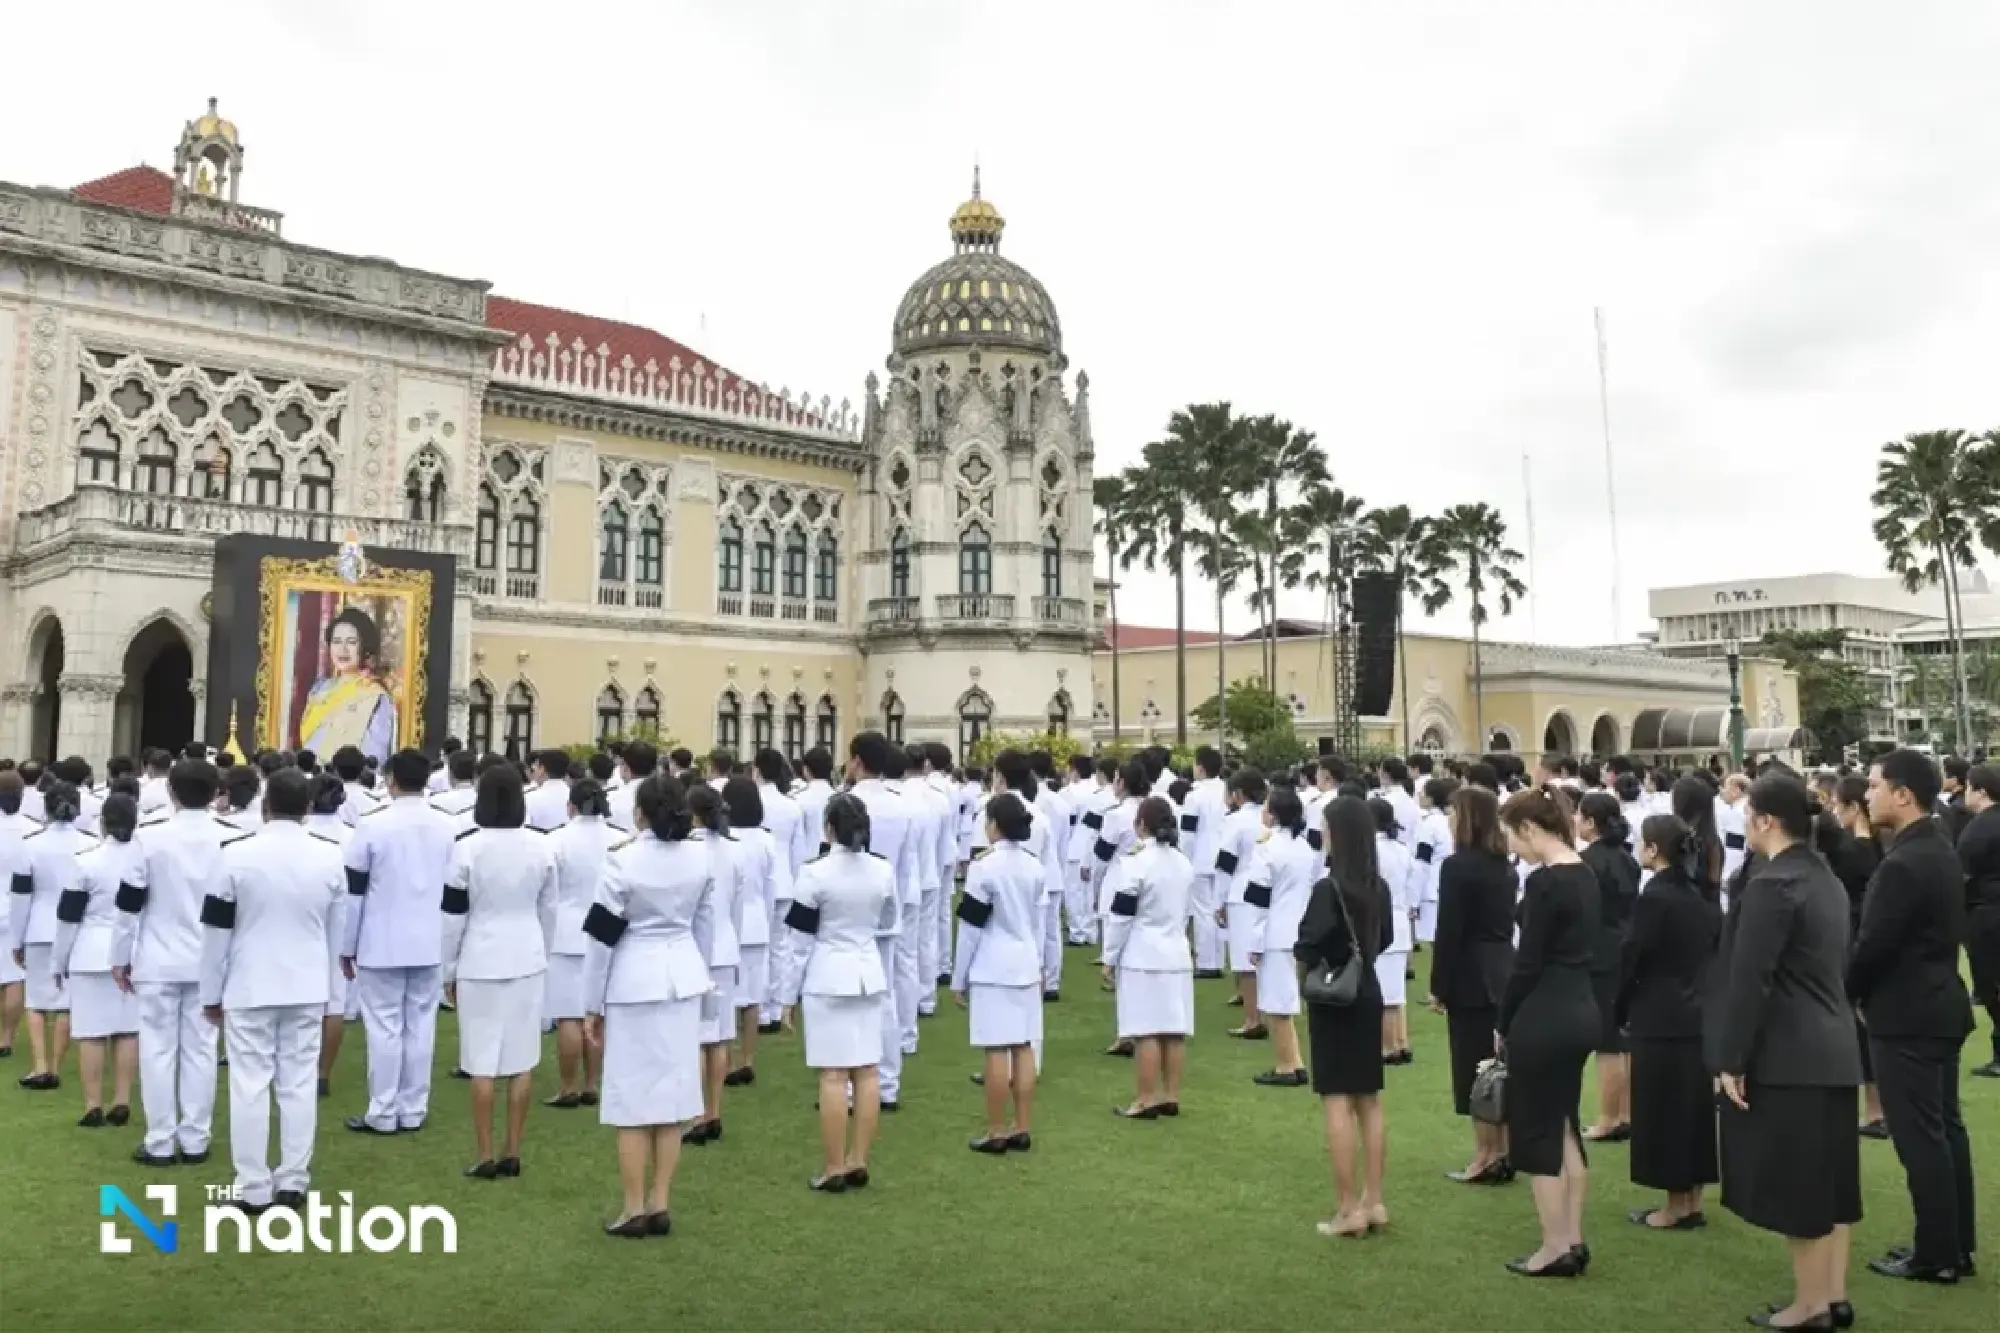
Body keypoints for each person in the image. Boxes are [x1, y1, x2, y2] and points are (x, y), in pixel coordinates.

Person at [1717, 773, 1862, 1331]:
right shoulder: (1824, 878)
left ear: (1766, 820)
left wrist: (1731, 1058)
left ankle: (1811, 1304)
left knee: (1804, 1182)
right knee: (1831, 1180)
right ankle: (1832, 1293)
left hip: (1793, 1049)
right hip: (1833, 1043)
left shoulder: (1773, 885)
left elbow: (1750, 980)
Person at [1852, 750, 1977, 1285]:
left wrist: (1848, 992)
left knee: (1922, 1137)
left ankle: (1937, 1254)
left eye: (1877, 785)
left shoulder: (1905, 862)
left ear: (1904, 794)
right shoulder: (1936, 847)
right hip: (1935, 1005)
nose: (1868, 794)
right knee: (1944, 1132)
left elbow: (1872, 946)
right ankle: (1953, 1245)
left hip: (1907, 1016)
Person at [197, 768, 345, 1213]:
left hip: (250, 983)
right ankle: (293, 1181)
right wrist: (332, 991)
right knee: (298, 1082)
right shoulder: (329, 856)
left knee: (250, 1085)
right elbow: (337, 936)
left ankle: (254, 1186)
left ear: (266, 805)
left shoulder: (235, 855)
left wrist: (209, 990)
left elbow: (215, 933)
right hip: (306, 984)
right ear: (306, 808)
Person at [582, 775, 716, 1236]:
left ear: (640, 813)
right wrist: (704, 979)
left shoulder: (623, 861)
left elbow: (601, 939)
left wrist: (590, 1003)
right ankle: (658, 1201)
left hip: (635, 979)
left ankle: (638, 1206)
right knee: (672, 1095)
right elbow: (706, 927)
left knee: (634, 1100)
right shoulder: (699, 857)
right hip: (681, 977)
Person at [1497, 788, 1602, 1278]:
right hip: (1581, 1008)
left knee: (1539, 1129)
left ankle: (1554, 1244)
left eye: (1512, 837)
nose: (1511, 847)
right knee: (1563, 1124)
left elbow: (1528, 964)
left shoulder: (1544, 884)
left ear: (1529, 830)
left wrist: (1503, 1020)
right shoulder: (1586, 875)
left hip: (1546, 1012)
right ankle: (1572, 1238)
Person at [446, 765, 557, 1179]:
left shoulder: (467, 849)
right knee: (521, 1059)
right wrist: (541, 949)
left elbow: (452, 917)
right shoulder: (541, 847)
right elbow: (550, 910)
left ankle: (486, 1153)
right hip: (526, 954)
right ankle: (512, 1148)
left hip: (481, 955)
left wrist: (449, 968)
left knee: (481, 1060)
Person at [340, 749, 458, 1135]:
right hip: (429, 939)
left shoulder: (373, 826)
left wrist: (346, 945)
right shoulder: (446, 826)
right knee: (421, 1026)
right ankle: (413, 1107)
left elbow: (354, 894)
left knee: (385, 1028)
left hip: (382, 940)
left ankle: (384, 1109)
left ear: (391, 780)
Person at [785, 792, 897, 1190]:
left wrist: (786, 996)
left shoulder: (814, 873)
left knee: (833, 1075)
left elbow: (798, 942)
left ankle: (835, 1167)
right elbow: (889, 918)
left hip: (828, 974)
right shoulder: (882, 871)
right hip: (867, 972)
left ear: (829, 828)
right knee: (866, 1071)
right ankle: (857, 1159)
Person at [1616, 814, 1721, 1231]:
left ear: (1655, 849)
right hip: (1695, 1012)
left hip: (1660, 1014)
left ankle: (1677, 1204)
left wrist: (1619, 1005)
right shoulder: (1700, 895)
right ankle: (1690, 1198)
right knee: (1691, 1110)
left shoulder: (1656, 898)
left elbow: (1634, 955)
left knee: (1665, 1111)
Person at [1302, 794, 1396, 1237]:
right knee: (1369, 1099)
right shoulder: (1378, 886)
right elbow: (1387, 937)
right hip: (1368, 988)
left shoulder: (1328, 889)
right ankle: (1373, 1200)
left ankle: (1347, 1208)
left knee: (1338, 1099)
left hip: (1335, 994)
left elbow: (1307, 944)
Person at [1430, 785, 1518, 1185]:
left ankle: (1486, 1154)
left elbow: (1449, 930)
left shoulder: (1458, 866)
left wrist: (1439, 985)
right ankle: (1504, 1148)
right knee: (1499, 1062)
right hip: (1502, 967)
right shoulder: (1504, 864)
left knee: (1475, 1068)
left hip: (1471, 971)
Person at [951, 792, 1044, 1152]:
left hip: (992, 964)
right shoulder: (1034, 865)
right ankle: (1022, 1126)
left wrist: (958, 978)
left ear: (995, 825)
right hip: (1024, 962)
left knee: (995, 1050)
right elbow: (1039, 924)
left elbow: (971, 927)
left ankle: (996, 1129)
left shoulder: (984, 866)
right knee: (1023, 1047)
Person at [51, 792, 143, 1126]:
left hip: (90, 951)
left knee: (91, 1032)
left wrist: (57, 961)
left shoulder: (86, 861)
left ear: (103, 822)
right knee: (127, 1031)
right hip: (131, 952)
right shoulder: (142, 858)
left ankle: (93, 1105)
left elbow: (68, 918)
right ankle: (121, 1100)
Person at [1101, 795, 1194, 1118]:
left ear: (1141, 824)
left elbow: (1121, 916)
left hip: (1144, 954)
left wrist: (1109, 957)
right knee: (1173, 1027)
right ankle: (1171, 1094)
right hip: (1176, 952)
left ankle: (1145, 1098)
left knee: (1146, 1030)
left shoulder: (1135, 862)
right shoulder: (1183, 862)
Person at [843, 733, 914, 1112]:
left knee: (852, 999)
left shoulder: (846, 802)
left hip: (848, 912)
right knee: (883, 996)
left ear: (857, 761)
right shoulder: (901, 807)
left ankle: (853, 1087)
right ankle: (885, 1082)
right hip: (886, 904)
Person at [9, 781, 89, 1092]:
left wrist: (16, 939)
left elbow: (21, 896)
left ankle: (41, 1066)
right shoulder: (89, 842)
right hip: (75, 927)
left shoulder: (31, 845)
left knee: (38, 1002)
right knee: (66, 1002)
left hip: (40, 927)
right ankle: (54, 1066)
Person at [546, 778, 621, 1108]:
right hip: (605, 930)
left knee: (569, 1016)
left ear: (571, 807)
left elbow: (549, 892)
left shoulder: (556, 840)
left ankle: (568, 1085)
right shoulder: (619, 840)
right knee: (597, 1012)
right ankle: (591, 1083)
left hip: (566, 930)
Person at [1823, 776, 1886, 1136]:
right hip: (1861, 936)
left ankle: (1875, 1110)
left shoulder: (1853, 851)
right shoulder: (1878, 842)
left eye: (1836, 804)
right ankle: (1876, 1107)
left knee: (1862, 1028)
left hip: (1856, 938)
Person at [1576, 791, 1641, 1142]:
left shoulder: (1588, 861)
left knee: (1608, 1040)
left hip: (1602, 952)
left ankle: (1609, 1116)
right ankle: (1626, 1111)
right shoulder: (1627, 858)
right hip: (1625, 946)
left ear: (1590, 821)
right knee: (1622, 1037)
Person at [1249, 787, 1320, 1087]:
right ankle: (1295, 1061)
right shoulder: (1306, 849)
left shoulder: (1266, 848)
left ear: (1274, 814)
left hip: (1275, 932)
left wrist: (1253, 942)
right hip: (1301, 929)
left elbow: (1258, 901)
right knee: (1286, 999)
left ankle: (1287, 1065)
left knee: (1278, 1002)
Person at [721, 776, 778, 1086]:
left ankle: (730, 1060)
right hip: (756, 920)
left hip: (732, 921)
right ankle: (747, 1058)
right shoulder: (765, 840)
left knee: (730, 994)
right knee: (752, 997)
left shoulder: (727, 840)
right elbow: (770, 886)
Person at [304, 774, 357, 1097]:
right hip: (340, 919)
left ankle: (309, 1069)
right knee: (333, 999)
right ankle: (322, 1072)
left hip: (307, 918)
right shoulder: (352, 836)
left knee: (308, 998)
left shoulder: (302, 834)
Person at [297, 607, 397, 764]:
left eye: (351, 642)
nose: (342, 649)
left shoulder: (374, 696)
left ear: (365, 648)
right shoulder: (319, 689)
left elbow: (375, 758)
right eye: (336, 642)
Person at [1960, 763, 2000, 1080]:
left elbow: (1963, 877)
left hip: (1986, 914)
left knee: (1988, 985)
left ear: (1981, 792)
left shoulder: (1977, 830)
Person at [1370, 797, 1415, 1065]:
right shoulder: (1401, 849)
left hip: (1383, 919)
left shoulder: (1373, 850)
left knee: (1386, 991)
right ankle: (1400, 1041)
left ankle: (1389, 1047)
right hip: (1399, 917)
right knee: (1396, 989)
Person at [0, 772, 39, 1061]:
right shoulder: (33, 830)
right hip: (16, 907)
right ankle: (7, 1037)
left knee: (13, 975)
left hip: (13, 904)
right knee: (13, 976)